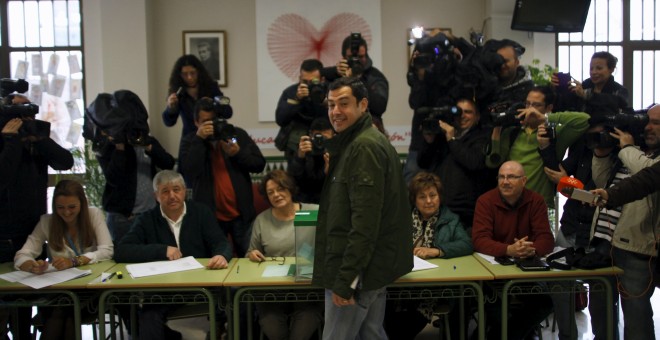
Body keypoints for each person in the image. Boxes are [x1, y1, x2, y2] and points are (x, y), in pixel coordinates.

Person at [312, 77, 412, 339]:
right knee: (371, 333)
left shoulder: (363, 147)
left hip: (358, 271)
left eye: (343, 104)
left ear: (363, 104)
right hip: (370, 267)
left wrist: (346, 280)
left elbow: (364, 222)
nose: (335, 111)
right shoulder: (359, 142)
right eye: (331, 104)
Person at [115, 170, 233, 340]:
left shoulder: (201, 212)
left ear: (184, 191)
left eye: (176, 190)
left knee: (229, 300)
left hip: (200, 285)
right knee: (147, 318)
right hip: (163, 290)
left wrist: (221, 255)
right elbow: (122, 251)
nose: (172, 196)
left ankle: (219, 328)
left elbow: (220, 242)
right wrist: (162, 250)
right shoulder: (146, 219)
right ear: (156, 196)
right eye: (165, 191)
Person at [540, 108, 622, 340]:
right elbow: (560, 176)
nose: (597, 140)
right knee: (558, 283)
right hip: (572, 226)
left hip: (602, 235)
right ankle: (567, 337)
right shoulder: (583, 147)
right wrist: (547, 148)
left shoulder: (622, 157)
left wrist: (572, 185)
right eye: (592, 135)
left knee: (602, 295)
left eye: (602, 135)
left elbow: (602, 194)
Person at [0, 95, 74, 339]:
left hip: (32, 232)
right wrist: (10, 140)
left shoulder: (34, 140)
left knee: (28, 303)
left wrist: (40, 139)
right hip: (4, 235)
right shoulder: (5, 141)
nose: (24, 119)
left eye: (28, 112)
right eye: (18, 112)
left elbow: (66, 161)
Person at [587, 104, 660, 339]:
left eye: (656, 123)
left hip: (635, 246)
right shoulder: (634, 151)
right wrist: (601, 152)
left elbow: (646, 177)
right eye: (647, 121)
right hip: (604, 240)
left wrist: (627, 147)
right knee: (599, 309)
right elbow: (603, 182)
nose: (648, 127)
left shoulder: (642, 157)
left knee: (635, 314)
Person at [14, 180, 113, 340]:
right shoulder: (47, 221)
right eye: (60, 208)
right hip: (57, 289)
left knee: (64, 310)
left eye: (72, 207)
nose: (66, 212)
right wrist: (32, 266)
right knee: (64, 311)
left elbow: (107, 250)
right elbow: (22, 255)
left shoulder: (93, 214)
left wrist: (74, 261)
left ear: (82, 203)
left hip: (89, 289)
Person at [383, 171, 472, 340]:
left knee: (406, 326)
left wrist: (437, 250)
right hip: (402, 283)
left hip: (435, 287)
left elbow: (467, 244)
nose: (429, 201)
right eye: (422, 197)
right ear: (414, 200)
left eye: (433, 195)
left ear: (440, 197)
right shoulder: (401, 218)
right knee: (388, 316)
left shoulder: (450, 219)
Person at [472, 161, 555, 340]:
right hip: (492, 271)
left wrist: (529, 250)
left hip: (526, 267)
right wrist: (509, 249)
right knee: (496, 307)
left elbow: (547, 239)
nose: (505, 181)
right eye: (501, 177)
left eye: (511, 177)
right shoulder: (485, 201)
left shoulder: (536, 201)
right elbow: (479, 240)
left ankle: (501, 336)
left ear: (524, 180)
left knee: (544, 303)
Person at [179, 97, 266, 257]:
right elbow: (189, 171)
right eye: (205, 122)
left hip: (242, 215)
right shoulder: (190, 141)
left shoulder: (235, 134)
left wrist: (238, 153)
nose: (211, 125)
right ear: (196, 122)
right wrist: (199, 139)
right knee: (215, 260)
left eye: (213, 120)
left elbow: (259, 164)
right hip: (210, 218)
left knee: (248, 259)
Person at [246, 170, 323, 340]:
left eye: (280, 189)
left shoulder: (311, 212)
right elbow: (250, 253)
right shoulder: (262, 220)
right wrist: (252, 254)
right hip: (271, 291)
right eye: (270, 192)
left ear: (290, 189)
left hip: (307, 289)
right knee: (275, 333)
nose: (276, 195)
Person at [486, 86, 590, 208]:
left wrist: (546, 118)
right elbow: (492, 163)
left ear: (549, 108)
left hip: (539, 205)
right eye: (527, 104)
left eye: (536, 105)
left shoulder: (554, 133)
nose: (530, 109)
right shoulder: (512, 132)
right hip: (509, 203)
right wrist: (497, 128)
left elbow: (585, 120)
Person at [417, 98, 495, 230]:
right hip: (439, 208)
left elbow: (473, 162)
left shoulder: (483, 137)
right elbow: (422, 162)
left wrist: (452, 139)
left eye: (468, 112)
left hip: (465, 212)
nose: (463, 116)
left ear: (477, 117)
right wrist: (429, 141)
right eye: (459, 112)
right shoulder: (442, 136)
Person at [96, 127, 175, 244]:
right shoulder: (110, 145)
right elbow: (113, 178)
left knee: (153, 255)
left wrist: (148, 146)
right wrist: (120, 148)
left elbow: (168, 163)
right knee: (124, 255)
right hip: (123, 217)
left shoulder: (147, 140)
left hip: (149, 214)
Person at [162, 55, 232, 161]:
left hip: (212, 138)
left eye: (192, 73)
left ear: (199, 72)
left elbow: (228, 112)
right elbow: (169, 122)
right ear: (179, 75)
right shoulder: (178, 91)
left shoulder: (211, 87)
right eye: (185, 74)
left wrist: (214, 104)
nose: (189, 77)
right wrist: (170, 108)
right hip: (190, 141)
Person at [321, 34, 389, 131]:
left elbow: (379, 107)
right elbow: (316, 75)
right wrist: (335, 71)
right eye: (351, 57)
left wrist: (356, 79)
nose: (356, 60)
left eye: (360, 57)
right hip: (337, 129)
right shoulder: (335, 74)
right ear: (343, 57)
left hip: (368, 128)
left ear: (366, 55)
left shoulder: (375, 76)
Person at [275, 59, 329, 165]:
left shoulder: (329, 91)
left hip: (324, 145)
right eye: (305, 82)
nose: (308, 85)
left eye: (313, 82)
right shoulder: (291, 92)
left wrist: (323, 100)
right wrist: (297, 99)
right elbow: (281, 119)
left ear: (322, 79)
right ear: (299, 78)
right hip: (296, 149)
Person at [553, 51, 630, 112]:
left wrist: (586, 95)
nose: (593, 72)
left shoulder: (619, 90)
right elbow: (564, 107)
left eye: (599, 68)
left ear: (611, 69)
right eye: (591, 68)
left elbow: (613, 102)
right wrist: (557, 89)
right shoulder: (585, 86)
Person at [287, 117, 334, 204]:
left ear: (333, 137)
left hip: (329, 201)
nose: (321, 142)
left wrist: (329, 172)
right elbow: (293, 182)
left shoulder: (337, 152)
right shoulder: (302, 150)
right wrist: (300, 158)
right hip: (304, 201)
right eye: (318, 138)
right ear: (310, 135)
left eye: (325, 138)